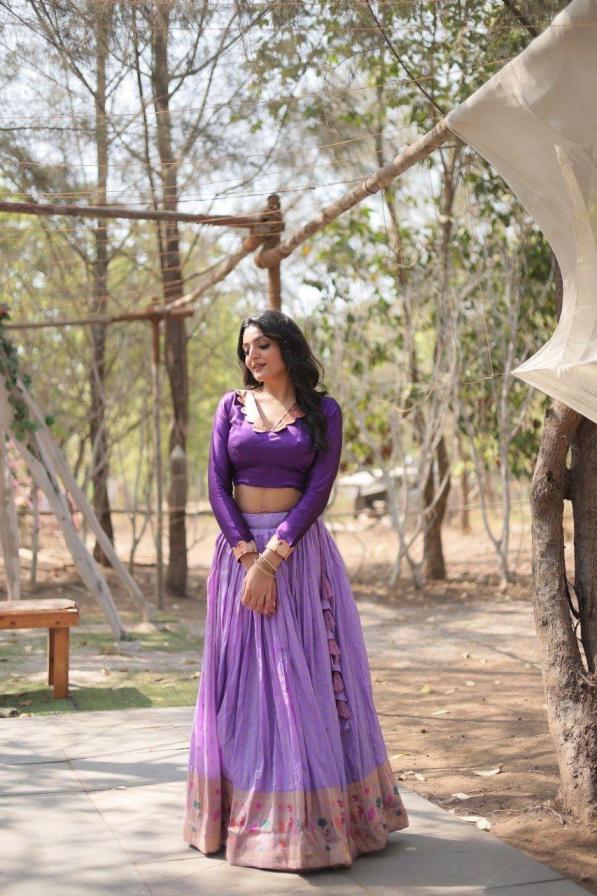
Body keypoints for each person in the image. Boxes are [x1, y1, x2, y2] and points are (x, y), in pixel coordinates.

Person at [183, 309, 409, 871]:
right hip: (239, 556)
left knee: (300, 681)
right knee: (246, 686)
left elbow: (319, 489)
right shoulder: (231, 407)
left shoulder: (323, 411)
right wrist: (248, 558)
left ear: (287, 347)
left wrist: (273, 558)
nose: (252, 356)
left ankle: (317, 824)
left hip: (298, 558)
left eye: (262, 345)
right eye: (246, 349)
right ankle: (245, 819)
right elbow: (216, 485)